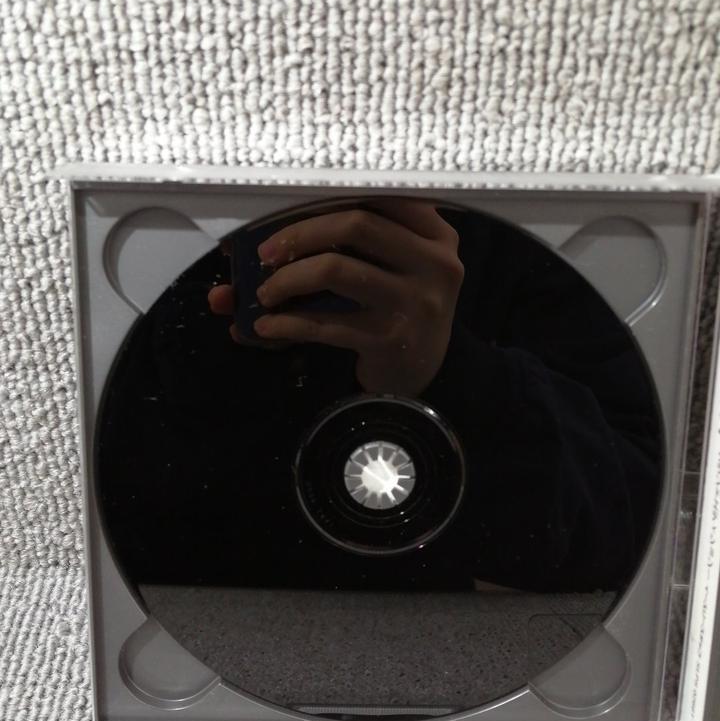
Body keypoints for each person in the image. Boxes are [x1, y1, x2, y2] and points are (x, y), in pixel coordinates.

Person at [97, 199, 662, 595]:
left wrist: (449, 372)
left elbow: (639, 523)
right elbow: (80, 507)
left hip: (419, 658)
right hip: (191, 640)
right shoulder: (144, 233)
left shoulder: (510, 220)